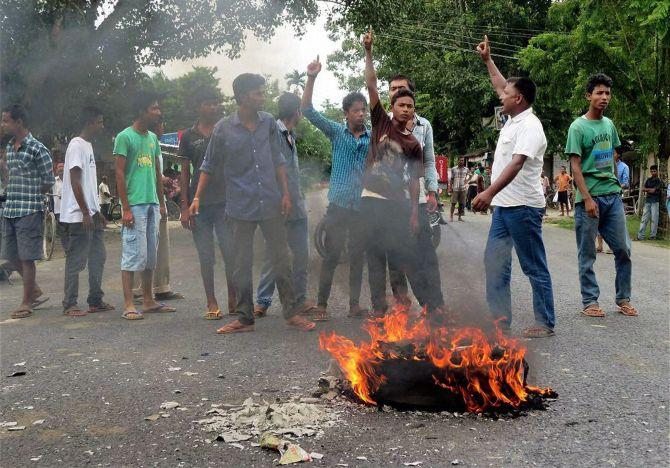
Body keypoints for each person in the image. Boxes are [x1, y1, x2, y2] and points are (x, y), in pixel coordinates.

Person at [191, 73, 315, 333]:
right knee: (241, 262)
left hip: (270, 201)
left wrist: (285, 194)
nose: (263, 97)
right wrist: (196, 198)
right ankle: (245, 318)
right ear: (244, 96)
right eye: (259, 93)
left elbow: (278, 159)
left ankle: (291, 313)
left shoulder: (268, 121)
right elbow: (208, 165)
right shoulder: (223, 128)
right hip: (239, 205)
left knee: (281, 258)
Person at [473, 36, 555, 338]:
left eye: (507, 93)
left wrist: (487, 192)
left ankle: (545, 322)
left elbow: (517, 163)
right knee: (494, 263)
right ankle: (499, 322)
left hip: (523, 208)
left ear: (518, 99)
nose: (501, 95)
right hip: (504, 209)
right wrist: (487, 60)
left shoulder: (531, 127)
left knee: (533, 266)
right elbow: (498, 82)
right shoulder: (511, 120)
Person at [361, 28, 432, 318]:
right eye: (401, 105)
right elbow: (371, 85)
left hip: (397, 204)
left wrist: (414, 213)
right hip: (371, 200)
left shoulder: (414, 143)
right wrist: (368, 51)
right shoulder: (380, 123)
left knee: (400, 257)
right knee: (375, 258)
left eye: (410, 107)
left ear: (414, 112)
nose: (406, 109)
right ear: (392, 108)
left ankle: (410, 308)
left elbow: (415, 181)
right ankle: (379, 312)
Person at [301, 56, 370, 321]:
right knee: (331, 256)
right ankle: (321, 305)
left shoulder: (371, 137)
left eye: (363, 110)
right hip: (339, 207)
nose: (361, 114)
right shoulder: (336, 132)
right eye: (356, 110)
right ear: (346, 113)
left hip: (362, 207)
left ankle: (354, 305)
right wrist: (311, 77)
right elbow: (307, 110)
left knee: (357, 258)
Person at [565, 73, 637, 317]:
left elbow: (612, 157)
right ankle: (590, 301)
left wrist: (616, 183)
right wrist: (586, 198)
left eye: (607, 93)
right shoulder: (578, 127)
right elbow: (575, 165)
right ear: (588, 96)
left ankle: (623, 298)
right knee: (587, 254)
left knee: (624, 250)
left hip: (612, 196)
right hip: (589, 199)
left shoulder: (609, 125)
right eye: (599, 92)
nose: (604, 97)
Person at [384, 74, 444, 314]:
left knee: (425, 254)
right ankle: (401, 304)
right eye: (391, 89)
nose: (395, 91)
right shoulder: (382, 124)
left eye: (401, 89)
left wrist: (432, 191)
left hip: (417, 200)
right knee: (395, 258)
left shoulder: (424, 126)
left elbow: (429, 161)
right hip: (391, 203)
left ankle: (436, 306)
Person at [114, 91, 175, 320]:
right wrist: (126, 208)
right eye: (154, 108)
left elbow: (158, 173)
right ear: (142, 111)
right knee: (132, 253)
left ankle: (148, 300)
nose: (158, 112)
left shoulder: (152, 139)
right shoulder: (125, 137)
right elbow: (119, 174)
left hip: (152, 203)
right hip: (135, 204)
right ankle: (129, 303)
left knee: (150, 254)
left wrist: (161, 203)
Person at [254, 93, 316, 317]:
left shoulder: (291, 134)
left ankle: (299, 299)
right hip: (280, 205)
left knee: (301, 254)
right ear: (296, 112)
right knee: (274, 254)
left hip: (297, 205)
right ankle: (262, 301)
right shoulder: (275, 135)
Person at [179, 88, 236, 319]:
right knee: (205, 255)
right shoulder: (188, 136)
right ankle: (211, 301)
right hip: (198, 203)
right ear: (199, 107)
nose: (213, 107)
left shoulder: (225, 131)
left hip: (224, 201)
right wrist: (183, 207)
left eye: (216, 103)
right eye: (208, 103)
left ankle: (234, 297)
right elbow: (184, 173)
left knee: (230, 251)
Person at [0, 104, 54, 319]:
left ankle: (26, 302)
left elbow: (49, 180)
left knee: (26, 257)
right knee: (11, 257)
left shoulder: (37, 148)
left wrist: (32, 194)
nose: (3, 125)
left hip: (29, 210)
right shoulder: (11, 147)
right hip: (11, 209)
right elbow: (9, 179)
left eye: (6, 121)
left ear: (19, 122)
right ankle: (35, 291)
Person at [60, 106, 114, 317]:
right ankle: (69, 303)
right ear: (90, 122)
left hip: (91, 213)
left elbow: (88, 184)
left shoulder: (88, 146)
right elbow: (75, 180)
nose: (101, 126)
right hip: (78, 215)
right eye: (99, 122)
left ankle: (95, 299)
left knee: (98, 256)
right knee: (77, 259)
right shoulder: (76, 145)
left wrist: (96, 210)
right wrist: (84, 211)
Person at [131, 118, 184, 302]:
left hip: (156, 200)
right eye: (161, 124)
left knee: (160, 247)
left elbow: (155, 170)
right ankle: (138, 290)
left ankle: (161, 286)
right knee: (142, 247)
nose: (163, 127)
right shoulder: (136, 140)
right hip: (142, 200)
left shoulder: (155, 144)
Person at [597, 150, 629, 252]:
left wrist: (615, 186)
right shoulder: (603, 164)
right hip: (601, 194)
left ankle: (612, 246)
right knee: (599, 220)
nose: (610, 155)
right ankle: (600, 245)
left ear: (618, 154)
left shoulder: (624, 167)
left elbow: (626, 183)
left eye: (613, 153)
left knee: (612, 222)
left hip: (616, 195)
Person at [637, 164, 663, 241]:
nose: (653, 173)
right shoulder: (648, 180)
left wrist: (647, 189)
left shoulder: (659, 181)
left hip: (655, 202)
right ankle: (640, 236)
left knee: (654, 220)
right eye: (651, 171)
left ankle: (652, 236)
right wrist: (649, 189)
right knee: (644, 219)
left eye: (654, 171)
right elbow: (643, 189)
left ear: (657, 171)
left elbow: (653, 190)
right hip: (648, 201)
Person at [449, 157, 468, 221]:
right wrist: (450, 188)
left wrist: (466, 185)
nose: (462, 161)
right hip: (455, 189)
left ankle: (459, 217)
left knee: (461, 204)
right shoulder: (453, 169)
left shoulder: (466, 169)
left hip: (463, 189)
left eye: (463, 160)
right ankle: (451, 216)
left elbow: (467, 179)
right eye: (460, 160)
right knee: (453, 203)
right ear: (458, 161)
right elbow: (451, 179)